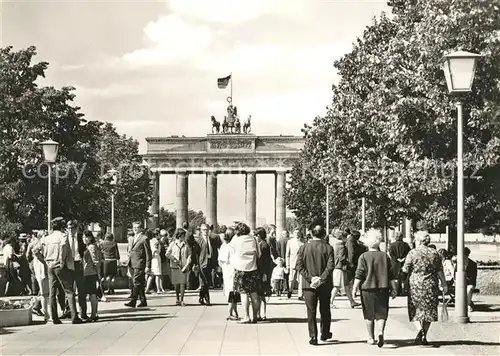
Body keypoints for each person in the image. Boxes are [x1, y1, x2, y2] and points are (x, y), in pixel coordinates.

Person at [352, 229, 398, 347]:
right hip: (383, 288)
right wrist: (394, 288)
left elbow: (359, 274)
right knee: (381, 313)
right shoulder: (384, 256)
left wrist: (354, 288)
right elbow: (391, 275)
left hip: (367, 289)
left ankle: (371, 337)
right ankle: (381, 332)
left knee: (369, 314)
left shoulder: (363, 257)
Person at [402, 230, 448, 345]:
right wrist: (444, 284)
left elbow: (405, 269)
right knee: (429, 311)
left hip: (415, 285)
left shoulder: (412, 253)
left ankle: (420, 330)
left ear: (418, 240)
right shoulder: (435, 253)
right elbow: (440, 270)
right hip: (431, 285)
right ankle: (424, 335)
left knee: (415, 310)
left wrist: (402, 281)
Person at [296, 224, 334, 345]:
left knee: (311, 311)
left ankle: (313, 336)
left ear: (311, 234)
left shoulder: (303, 248)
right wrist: (321, 279)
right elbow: (330, 266)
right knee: (325, 309)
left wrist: (311, 278)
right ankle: (325, 332)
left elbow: (299, 266)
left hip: (308, 285)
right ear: (323, 234)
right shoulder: (328, 248)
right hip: (325, 284)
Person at [42, 217, 83, 324]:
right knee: (69, 291)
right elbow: (63, 251)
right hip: (60, 266)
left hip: (50, 265)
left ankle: (54, 317)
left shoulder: (47, 238)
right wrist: (62, 262)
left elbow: (37, 250)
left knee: (52, 292)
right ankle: (74, 316)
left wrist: (46, 260)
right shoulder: (63, 237)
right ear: (61, 226)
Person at [230, 222, 261, 323]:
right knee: (254, 293)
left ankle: (246, 316)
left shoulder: (236, 240)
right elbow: (259, 254)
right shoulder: (254, 239)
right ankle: (255, 316)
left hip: (240, 269)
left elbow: (231, 252)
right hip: (253, 268)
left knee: (244, 293)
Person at [330, 229, 360, 308]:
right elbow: (342, 258)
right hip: (340, 268)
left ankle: (352, 302)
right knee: (337, 286)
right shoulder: (341, 246)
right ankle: (330, 302)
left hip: (339, 268)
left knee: (346, 286)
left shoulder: (336, 245)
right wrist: (349, 263)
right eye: (346, 237)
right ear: (343, 237)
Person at [125, 222, 152, 308]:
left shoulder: (144, 238)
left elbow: (148, 253)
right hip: (132, 263)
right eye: (134, 227)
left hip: (140, 263)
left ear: (141, 229)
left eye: (137, 227)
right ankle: (143, 300)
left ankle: (133, 300)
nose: (135, 229)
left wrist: (148, 266)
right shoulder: (132, 238)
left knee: (136, 282)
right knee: (139, 283)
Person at [218, 227, 239, 320]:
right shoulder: (229, 246)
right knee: (232, 291)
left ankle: (234, 311)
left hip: (227, 270)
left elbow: (220, 261)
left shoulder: (224, 246)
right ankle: (230, 312)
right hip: (231, 270)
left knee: (232, 291)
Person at [82, 231, 103, 322]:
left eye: (87, 237)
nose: (85, 239)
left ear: (91, 238)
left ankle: (94, 313)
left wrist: (98, 274)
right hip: (88, 272)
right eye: (83, 237)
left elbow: (96, 261)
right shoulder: (90, 246)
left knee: (92, 294)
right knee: (91, 294)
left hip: (90, 273)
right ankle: (93, 313)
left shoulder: (91, 247)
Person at [166, 229, 190, 306]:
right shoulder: (172, 244)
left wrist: (188, 261)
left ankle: (182, 299)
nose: (184, 237)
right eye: (183, 235)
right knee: (176, 284)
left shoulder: (186, 244)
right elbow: (167, 254)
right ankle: (177, 298)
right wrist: (173, 259)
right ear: (179, 236)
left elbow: (189, 254)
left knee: (182, 283)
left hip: (183, 266)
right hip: (175, 266)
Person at [255, 227, 272, 320]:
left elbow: (266, 261)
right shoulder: (261, 244)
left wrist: (265, 273)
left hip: (262, 272)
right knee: (260, 294)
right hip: (261, 272)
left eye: (256, 235)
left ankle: (262, 314)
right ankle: (260, 313)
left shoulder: (264, 245)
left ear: (259, 235)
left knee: (261, 294)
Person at [388, 231, 411, 296]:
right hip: (404, 262)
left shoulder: (392, 245)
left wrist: (397, 259)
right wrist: (403, 258)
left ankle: (396, 291)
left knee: (396, 278)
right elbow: (409, 253)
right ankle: (403, 291)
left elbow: (391, 253)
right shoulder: (406, 245)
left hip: (395, 263)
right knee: (403, 278)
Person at [286, 228, 305, 300]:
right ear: (293, 234)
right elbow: (287, 254)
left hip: (301, 263)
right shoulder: (290, 242)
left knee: (301, 279)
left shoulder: (303, 242)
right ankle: (290, 290)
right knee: (291, 279)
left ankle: (300, 295)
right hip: (292, 262)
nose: (297, 234)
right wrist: (287, 264)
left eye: (298, 232)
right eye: (295, 232)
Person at [196, 224, 212, 305]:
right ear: (201, 231)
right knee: (204, 282)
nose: (206, 231)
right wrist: (197, 264)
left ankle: (201, 297)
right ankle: (207, 299)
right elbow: (196, 253)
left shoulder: (211, 239)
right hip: (202, 263)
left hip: (209, 262)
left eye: (207, 229)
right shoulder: (199, 240)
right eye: (204, 230)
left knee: (207, 282)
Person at [464, 247, 477, 312]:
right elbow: (455, 274)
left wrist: (465, 279)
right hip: (461, 283)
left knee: (468, 289)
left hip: (470, 283)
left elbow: (473, 277)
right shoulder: (459, 263)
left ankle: (468, 304)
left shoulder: (473, 264)